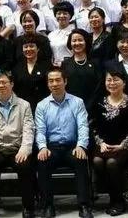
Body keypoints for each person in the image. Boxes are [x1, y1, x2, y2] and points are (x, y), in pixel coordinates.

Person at [35, 68, 94, 218]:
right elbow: (40, 130)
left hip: (72, 146)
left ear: (65, 81)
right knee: (42, 161)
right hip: (52, 147)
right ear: (48, 84)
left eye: (58, 80)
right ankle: (47, 206)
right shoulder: (42, 105)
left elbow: (83, 126)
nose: (54, 84)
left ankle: (84, 205)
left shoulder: (77, 102)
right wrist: (42, 147)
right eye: (51, 81)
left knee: (81, 159)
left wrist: (81, 145)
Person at [0, 72, 35, 217]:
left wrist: (24, 150)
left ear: (12, 84)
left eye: (4, 82)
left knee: (25, 166)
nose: (1, 85)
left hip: (17, 149)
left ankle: (28, 207)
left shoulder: (24, 105)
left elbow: (29, 130)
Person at [90, 70, 128, 216]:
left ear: (124, 83)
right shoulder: (99, 102)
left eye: (116, 80)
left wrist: (124, 144)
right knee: (97, 161)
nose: (112, 83)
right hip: (104, 145)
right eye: (109, 80)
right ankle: (113, 196)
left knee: (112, 163)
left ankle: (118, 202)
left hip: (126, 146)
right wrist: (101, 143)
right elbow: (93, 126)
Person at [61, 29, 104, 109]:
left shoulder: (96, 62)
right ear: (70, 43)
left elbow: (99, 86)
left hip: (94, 107)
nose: (77, 43)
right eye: (74, 41)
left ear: (86, 42)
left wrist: (89, 105)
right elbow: (65, 87)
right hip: (72, 107)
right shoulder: (65, 64)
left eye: (80, 40)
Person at [11, 34, 52, 111]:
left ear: (38, 49)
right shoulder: (17, 68)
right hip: (23, 108)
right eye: (25, 47)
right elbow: (15, 89)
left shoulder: (47, 66)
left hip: (44, 107)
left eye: (31, 46)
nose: (28, 49)